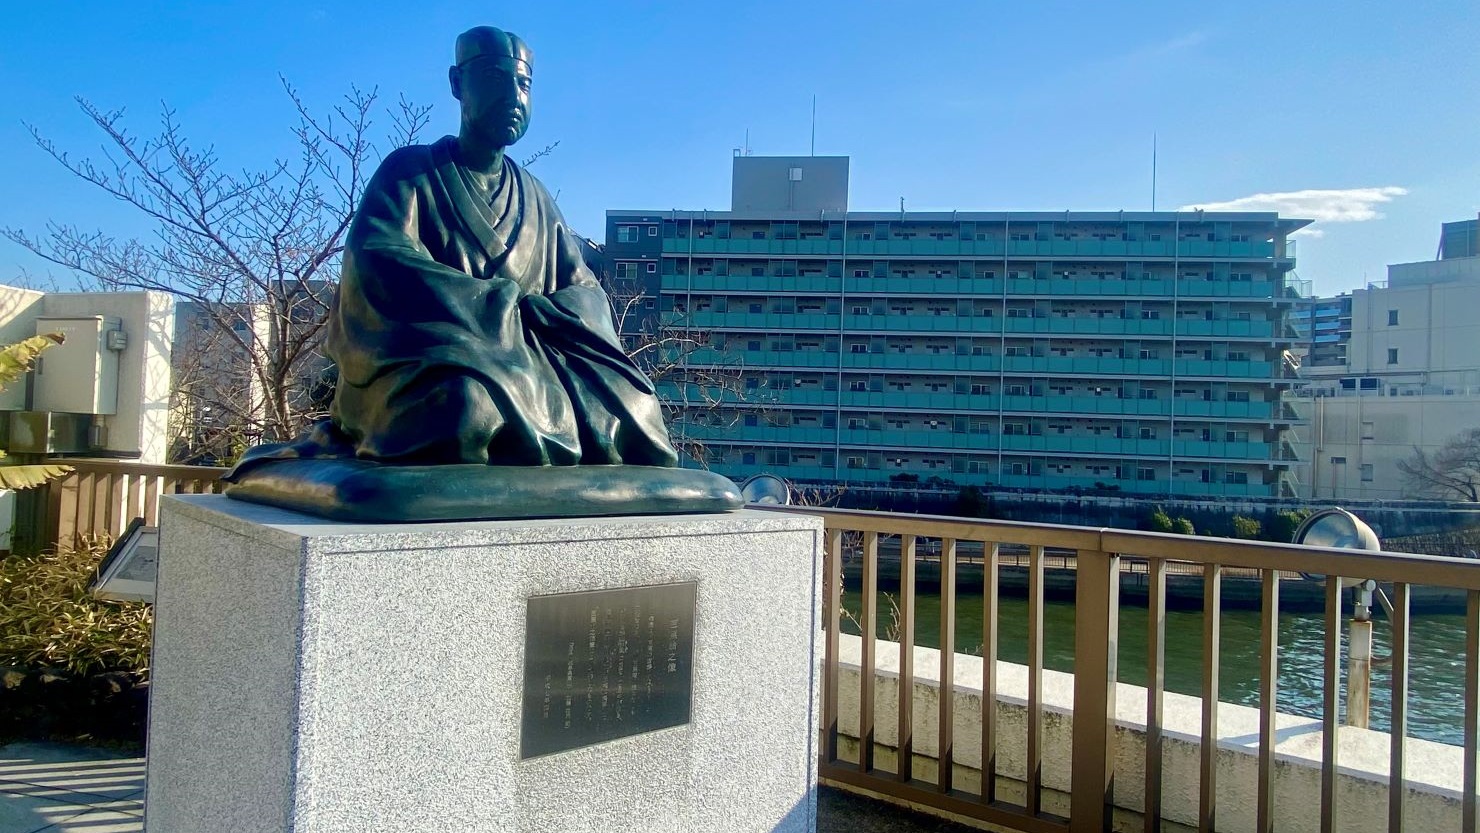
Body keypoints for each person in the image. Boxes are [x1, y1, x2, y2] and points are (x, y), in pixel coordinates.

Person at [229, 25, 679, 476]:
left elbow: (584, 288)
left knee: (635, 404)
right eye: (495, 78)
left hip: (532, 361)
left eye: (523, 84)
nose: (514, 97)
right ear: (457, 83)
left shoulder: (537, 197)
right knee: (465, 404)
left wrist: (543, 316)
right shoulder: (410, 172)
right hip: (431, 358)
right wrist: (498, 306)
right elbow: (377, 261)